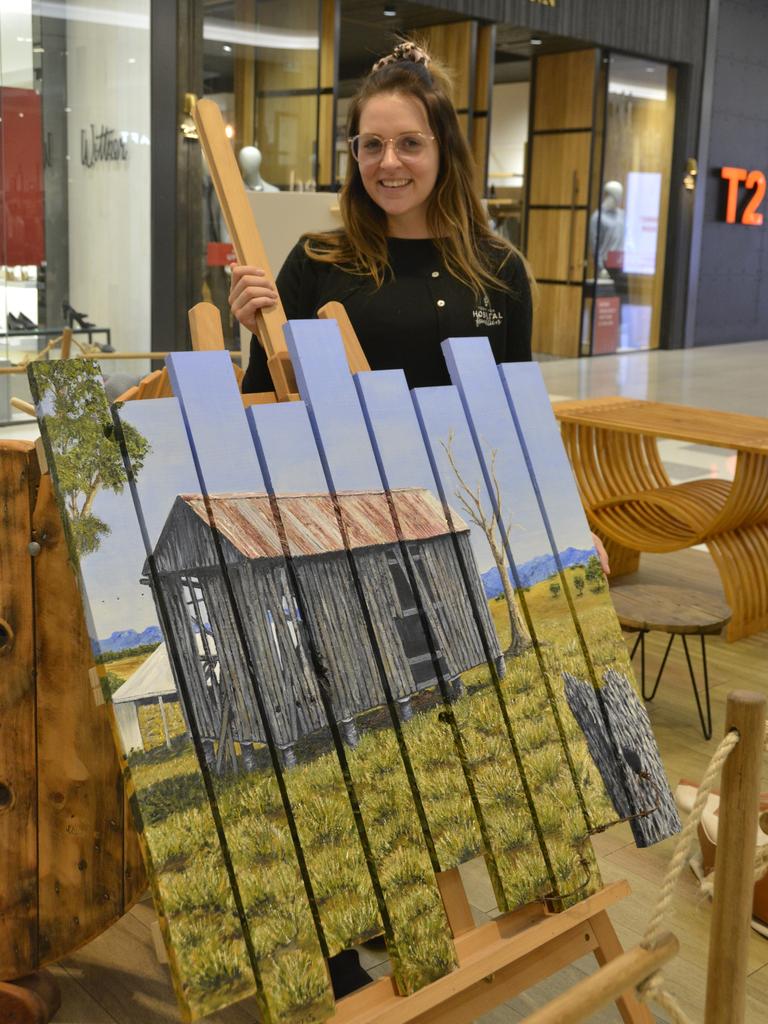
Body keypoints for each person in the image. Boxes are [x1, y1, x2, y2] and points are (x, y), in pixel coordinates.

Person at [229, 40, 533, 394]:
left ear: (444, 150)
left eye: (410, 143)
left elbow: (519, 410)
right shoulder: (316, 261)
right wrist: (265, 334)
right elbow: (267, 399)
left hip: (461, 452)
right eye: (372, 144)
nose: (389, 162)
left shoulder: (498, 269)